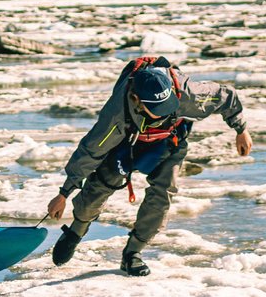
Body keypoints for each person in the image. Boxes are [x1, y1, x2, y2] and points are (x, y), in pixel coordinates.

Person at [47, 56, 253, 277]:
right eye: (158, 108)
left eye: (167, 105)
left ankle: (132, 253)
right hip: (129, 140)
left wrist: (241, 129)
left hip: (169, 140)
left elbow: (225, 96)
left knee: (162, 194)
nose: (165, 111)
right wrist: (64, 193)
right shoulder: (116, 114)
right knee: (101, 186)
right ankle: (76, 230)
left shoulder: (188, 94)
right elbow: (90, 152)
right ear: (136, 99)